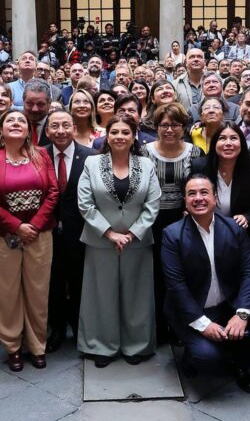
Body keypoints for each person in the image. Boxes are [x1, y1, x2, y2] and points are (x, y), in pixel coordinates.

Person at [161, 174, 250, 393]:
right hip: (192, 311)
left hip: (228, 305)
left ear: (215, 198)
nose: (198, 198)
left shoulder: (234, 229)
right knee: (209, 359)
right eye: (192, 194)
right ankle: (193, 357)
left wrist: (241, 314)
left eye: (204, 193)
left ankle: (241, 364)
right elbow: (176, 287)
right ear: (185, 201)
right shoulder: (172, 235)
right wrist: (204, 325)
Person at [77, 114, 161, 367]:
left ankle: (137, 345)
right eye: (115, 132)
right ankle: (101, 346)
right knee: (101, 295)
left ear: (133, 136)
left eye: (126, 132)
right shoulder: (92, 163)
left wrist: (133, 233)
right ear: (107, 136)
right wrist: (110, 232)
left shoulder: (146, 165)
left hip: (137, 241)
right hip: (101, 240)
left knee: (137, 295)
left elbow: (153, 204)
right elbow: (85, 203)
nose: (120, 137)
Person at [0, 110, 59, 371]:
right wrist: (16, 226)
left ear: (29, 130)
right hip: (1, 236)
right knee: (6, 293)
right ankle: (12, 346)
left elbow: (53, 192)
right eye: (9, 121)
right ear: (0, 130)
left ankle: (37, 346)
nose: (15, 124)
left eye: (21, 121)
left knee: (38, 292)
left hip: (40, 234)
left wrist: (32, 226)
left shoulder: (42, 155)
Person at [144, 102, 205, 342]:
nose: (169, 130)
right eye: (164, 125)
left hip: (183, 219)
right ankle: (158, 327)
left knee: (181, 274)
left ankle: (181, 327)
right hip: (152, 220)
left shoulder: (194, 152)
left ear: (183, 127)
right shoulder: (145, 150)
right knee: (156, 274)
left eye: (175, 125)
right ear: (156, 127)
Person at [44, 110, 98, 353]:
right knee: (52, 282)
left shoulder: (91, 157)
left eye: (66, 125)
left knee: (79, 281)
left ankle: (80, 327)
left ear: (74, 128)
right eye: (54, 126)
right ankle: (56, 329)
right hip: (48, 231)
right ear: (47, 131)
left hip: (81, 230)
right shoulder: (38, 155)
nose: (61, 131)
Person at [204, 122, 250, 228]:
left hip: (237, 231)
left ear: (242, 143)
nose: (228, 143)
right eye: (222, 138)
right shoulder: (200, 167)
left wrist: (246, 217)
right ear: (214, 143)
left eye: (233, 138)